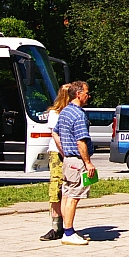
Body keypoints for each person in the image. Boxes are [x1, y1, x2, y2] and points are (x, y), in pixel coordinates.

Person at [52, 80, 96, 246]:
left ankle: (66, 230)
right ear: (78, 94)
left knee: (66, 194)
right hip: (77, 161)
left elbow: (55, 134)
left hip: (68, 160)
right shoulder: (78, 114)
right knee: (73, 196)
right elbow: (81, 141)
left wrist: (64, 152)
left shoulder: (64, 112)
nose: (88, 96)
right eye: (86, 92)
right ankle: (69, 233)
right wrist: (88, 163)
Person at [39, 84, 71, 241]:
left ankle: (67, 226)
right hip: (57, 153)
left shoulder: (73, 112)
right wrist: (65, 153)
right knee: (56, 188)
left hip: (69, 154)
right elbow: (56, 135)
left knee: (68, 189)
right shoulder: (54, 113)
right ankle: (57, 227)